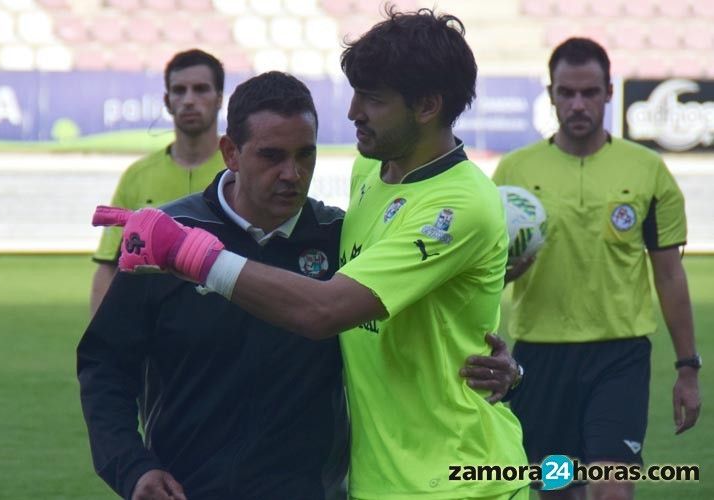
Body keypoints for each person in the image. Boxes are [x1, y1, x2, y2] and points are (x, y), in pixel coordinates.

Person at [95, 8, 529, 499]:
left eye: (372, 99)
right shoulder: (372, 175)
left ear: (427, 106)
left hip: (458, 478)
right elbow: (442, 311)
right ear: (231, 154)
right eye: (355, 93)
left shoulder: (460, 204)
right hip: (380, 481)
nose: (352, 113)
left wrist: (190, 255)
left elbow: (325, 309)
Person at [493, 38, 701, 500]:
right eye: (567, 93)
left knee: (611, 490)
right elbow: (486, 273)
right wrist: (506, 272)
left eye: (589, 92)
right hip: (539, 357)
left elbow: (669, 275)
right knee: (557, 491)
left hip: (619, 354)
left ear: (610, 92)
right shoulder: (513, 172)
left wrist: (688, 368)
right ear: (551, 94)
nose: (578, 104)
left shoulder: (648, 170)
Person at [90, 48, 226, 316]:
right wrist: (98, 342)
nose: (189, 100)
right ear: (167, 100)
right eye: (179, 90)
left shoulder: (239, 172)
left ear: (220, 99)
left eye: (201, 89)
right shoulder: (137, 175)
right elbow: (107, 264)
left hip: (226, 330)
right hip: (151, 331)